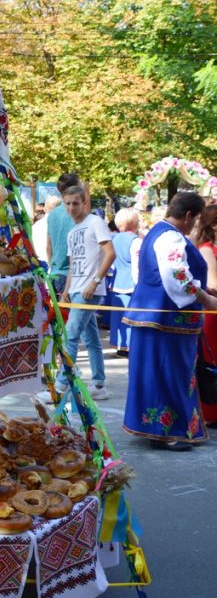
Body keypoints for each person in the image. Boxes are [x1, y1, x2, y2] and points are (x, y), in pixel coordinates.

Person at [123, 192, 217, 452]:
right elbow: (178, 279)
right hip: (167, 320)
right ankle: (168, 431)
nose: (195, 225)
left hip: (155, 316)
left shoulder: (156, 232)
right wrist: (206, 299)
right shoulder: (171, 237)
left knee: (155, 373)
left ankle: (158, 429)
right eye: (196, 219)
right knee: (169, 373)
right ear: (188, 216)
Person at [46, 184, 115, 402]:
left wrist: (95, 282)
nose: (71, 207)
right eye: (67, 203)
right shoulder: (73, 231)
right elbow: (74, 264)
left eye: (76, 203)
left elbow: (110, 253)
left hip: (89, 291)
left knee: (71, 335)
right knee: (91, 338)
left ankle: (60, 386)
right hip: (75, 290)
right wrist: (66, 291)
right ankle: (99, 383)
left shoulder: (95, 222)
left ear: (84, 202)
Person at [194, 205, 217, 427]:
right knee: (212, 363)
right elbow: (212, 284)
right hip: (213, 313)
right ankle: (211, 412)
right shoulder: (207, 248)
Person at [109, 208, 141, 357]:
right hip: (130, 284)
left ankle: (120, 345)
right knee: (130, 316)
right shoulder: (135, 241)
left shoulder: (113, 239)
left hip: (116, 282)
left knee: (118, 317)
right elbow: (137, 266)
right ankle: (129, 346)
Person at [46, 172, 80, 297]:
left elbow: (48, 247)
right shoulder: (77, 214)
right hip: (72, 277)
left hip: (54, 274)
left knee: (57, 315)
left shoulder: (52, 214)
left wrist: (52, 266)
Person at [32, 194, 61, 265]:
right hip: (56, 266)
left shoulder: (35, 226)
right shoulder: (61, 225)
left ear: (45, 209)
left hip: (38, 264)